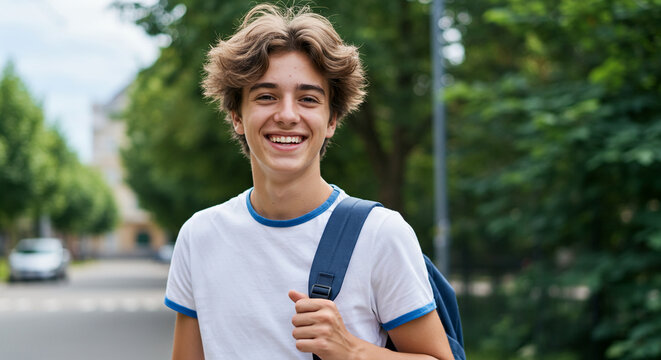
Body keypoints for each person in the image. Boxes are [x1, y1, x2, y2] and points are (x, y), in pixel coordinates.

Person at [164, 4, 455, 360]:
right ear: (237, 115)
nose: (287, 115)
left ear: (331, 119)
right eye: (266, 96)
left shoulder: (381, 235)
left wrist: (351, 351)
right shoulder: (200, 236)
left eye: (308, 99)